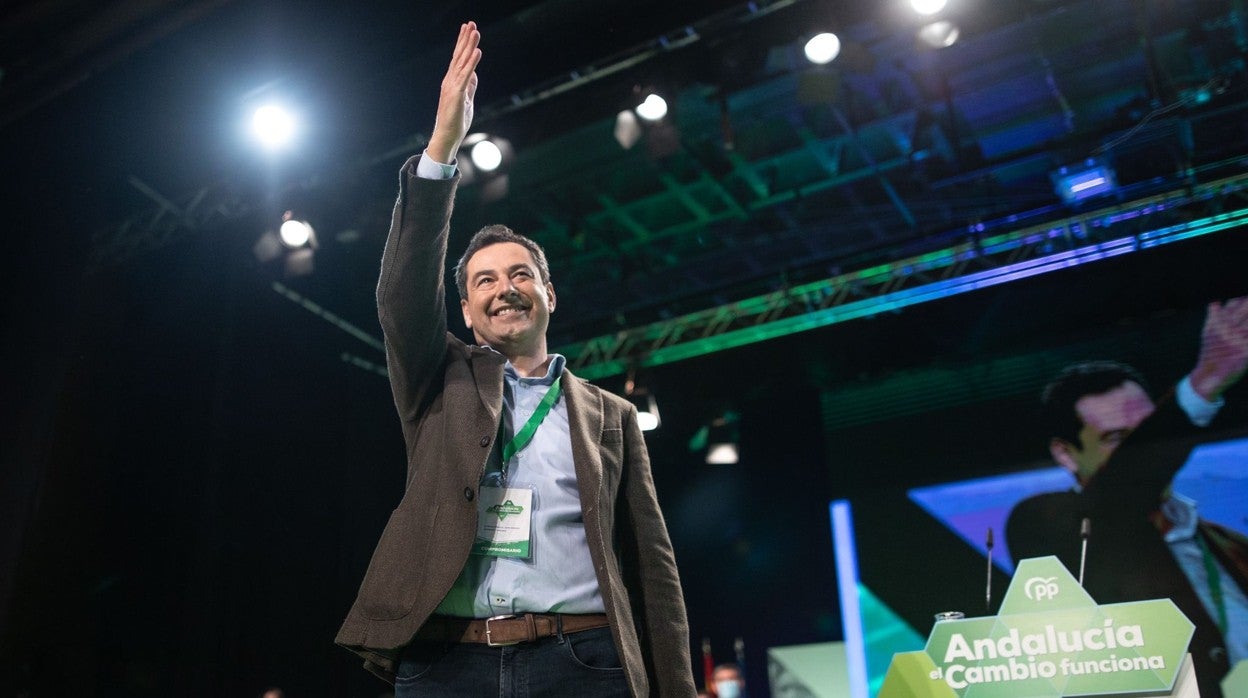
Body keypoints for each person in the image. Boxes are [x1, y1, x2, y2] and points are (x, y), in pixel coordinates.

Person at [334, 22, 695, 697]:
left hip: (583, 661)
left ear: (549, 294)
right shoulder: (436, 379)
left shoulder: (611, 415)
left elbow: (654, 570)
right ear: (466, 313)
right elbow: (402, 295)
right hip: (449, 666)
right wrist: (443, 148)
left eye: (521, 274)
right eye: (485, 281)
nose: (505, 288)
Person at [1006, 297, 1248, 697]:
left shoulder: (1231, 545)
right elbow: (1117, 495)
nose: (1146, 449)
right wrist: (1202, 386)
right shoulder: (1052, 524)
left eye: (1148, 430)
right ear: (1066, 453)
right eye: (1119, 439)